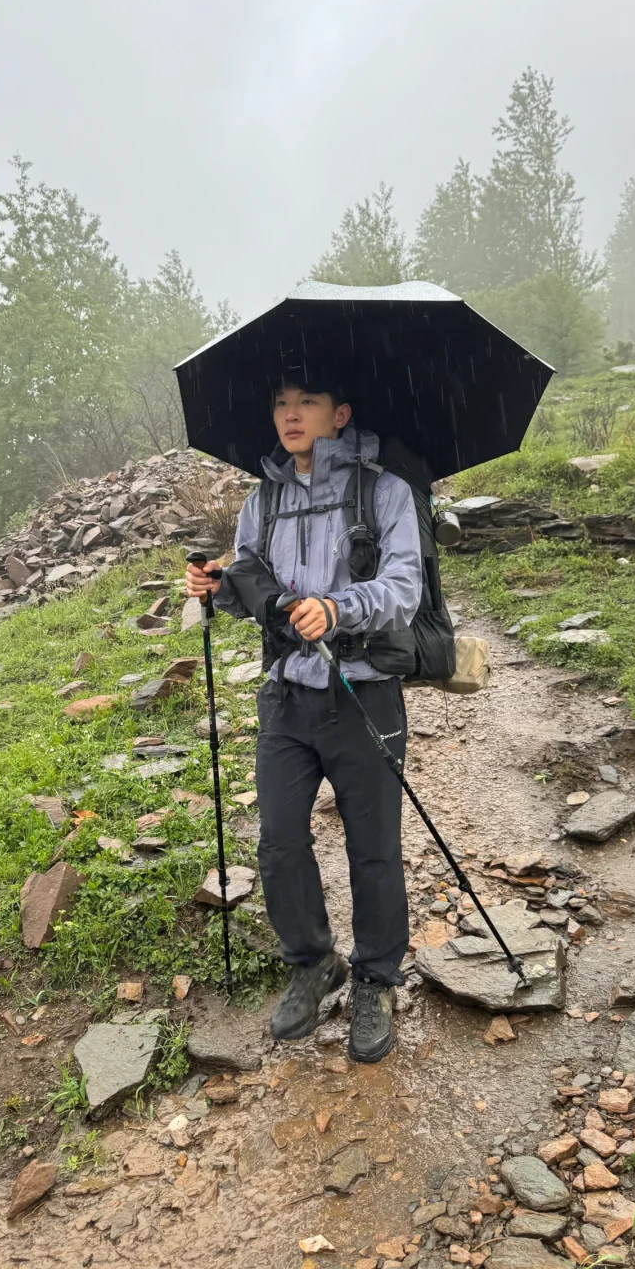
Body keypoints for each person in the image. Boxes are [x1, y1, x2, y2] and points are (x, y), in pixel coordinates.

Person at [184, 380, 422, 1062]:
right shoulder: (263, 501)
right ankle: (313, 962)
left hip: (363, 690)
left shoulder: (385, 493)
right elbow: (252, 595)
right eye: (279, 401)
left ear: (341, 414)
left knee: (372, 848)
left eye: (307, 400)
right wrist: (216, 589)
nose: (288, 413)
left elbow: (405, 589)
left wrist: (339, 609)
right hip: (286, 695)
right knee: (280, 841)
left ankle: (376, 979)